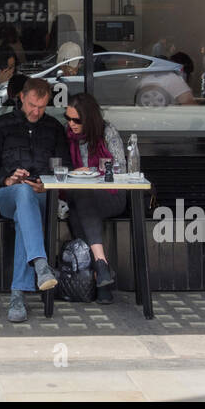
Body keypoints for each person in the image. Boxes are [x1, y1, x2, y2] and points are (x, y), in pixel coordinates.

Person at [0, 77, 65, 323]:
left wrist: (44, 183)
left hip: (41, 195)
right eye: (32, 105)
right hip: (8, 194)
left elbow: (64, 166)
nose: (36, 112)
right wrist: (6, 179)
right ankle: (40, 264)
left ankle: (18, 293)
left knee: (25, 212)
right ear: (22, 98)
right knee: (22, 194)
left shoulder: (54, 128)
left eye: (42, 107)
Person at [61, 94, 127, 303]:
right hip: (82, 198)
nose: (71, 124)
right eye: (68, 118)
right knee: (80, 202)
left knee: (80, 201)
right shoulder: (67, 136)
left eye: (76, 120)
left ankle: (100, 268)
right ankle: (101, 271)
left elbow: (120, 169)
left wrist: (90, 171)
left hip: (111, 196)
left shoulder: (108, 132)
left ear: (88, 119)